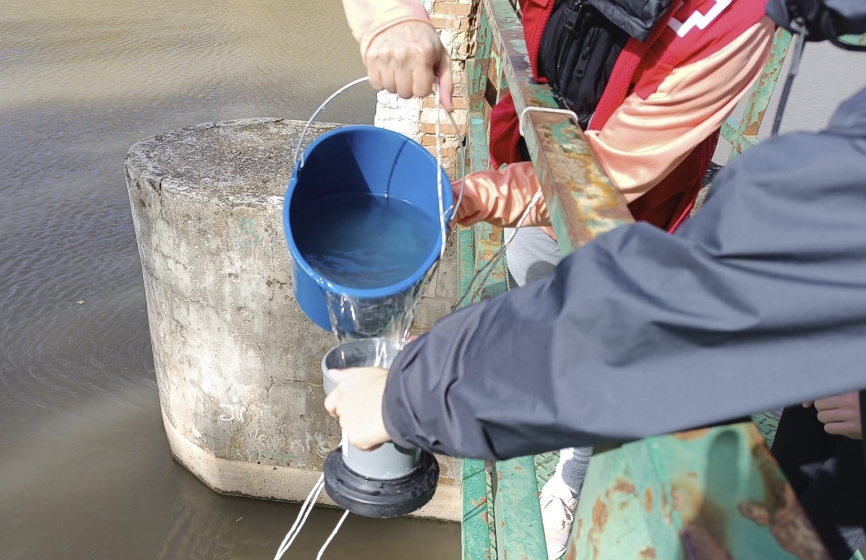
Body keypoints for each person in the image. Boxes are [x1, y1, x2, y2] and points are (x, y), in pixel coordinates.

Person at [329, 0, 866, 558]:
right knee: (797, 480)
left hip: (626, 214)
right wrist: (391, 14)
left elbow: (680, 302)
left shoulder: (731, 26)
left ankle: (571, 476)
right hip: (538, 179)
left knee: (808, 513)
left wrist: (409, 394)